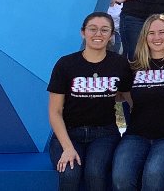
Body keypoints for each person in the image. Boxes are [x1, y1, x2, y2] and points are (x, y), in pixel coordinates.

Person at [48, 13, 129, 191]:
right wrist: (68, 148)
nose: (98, 34)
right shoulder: (66, 64)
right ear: (83, 33)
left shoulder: (119, 64)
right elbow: (55, 112)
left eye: (104, 30)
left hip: (104, 134)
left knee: (95, 172)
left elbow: (129, 97)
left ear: (111, 35)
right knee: (70, 172)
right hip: (69, 132)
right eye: (92, 29)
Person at [114, 14, 164, 191]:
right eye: (151, 33)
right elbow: (121, 94)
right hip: (136, 135)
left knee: (153, 174)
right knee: (121, 177)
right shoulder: (134, 66)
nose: (157, 37)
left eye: (162, 32)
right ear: (144, 36)